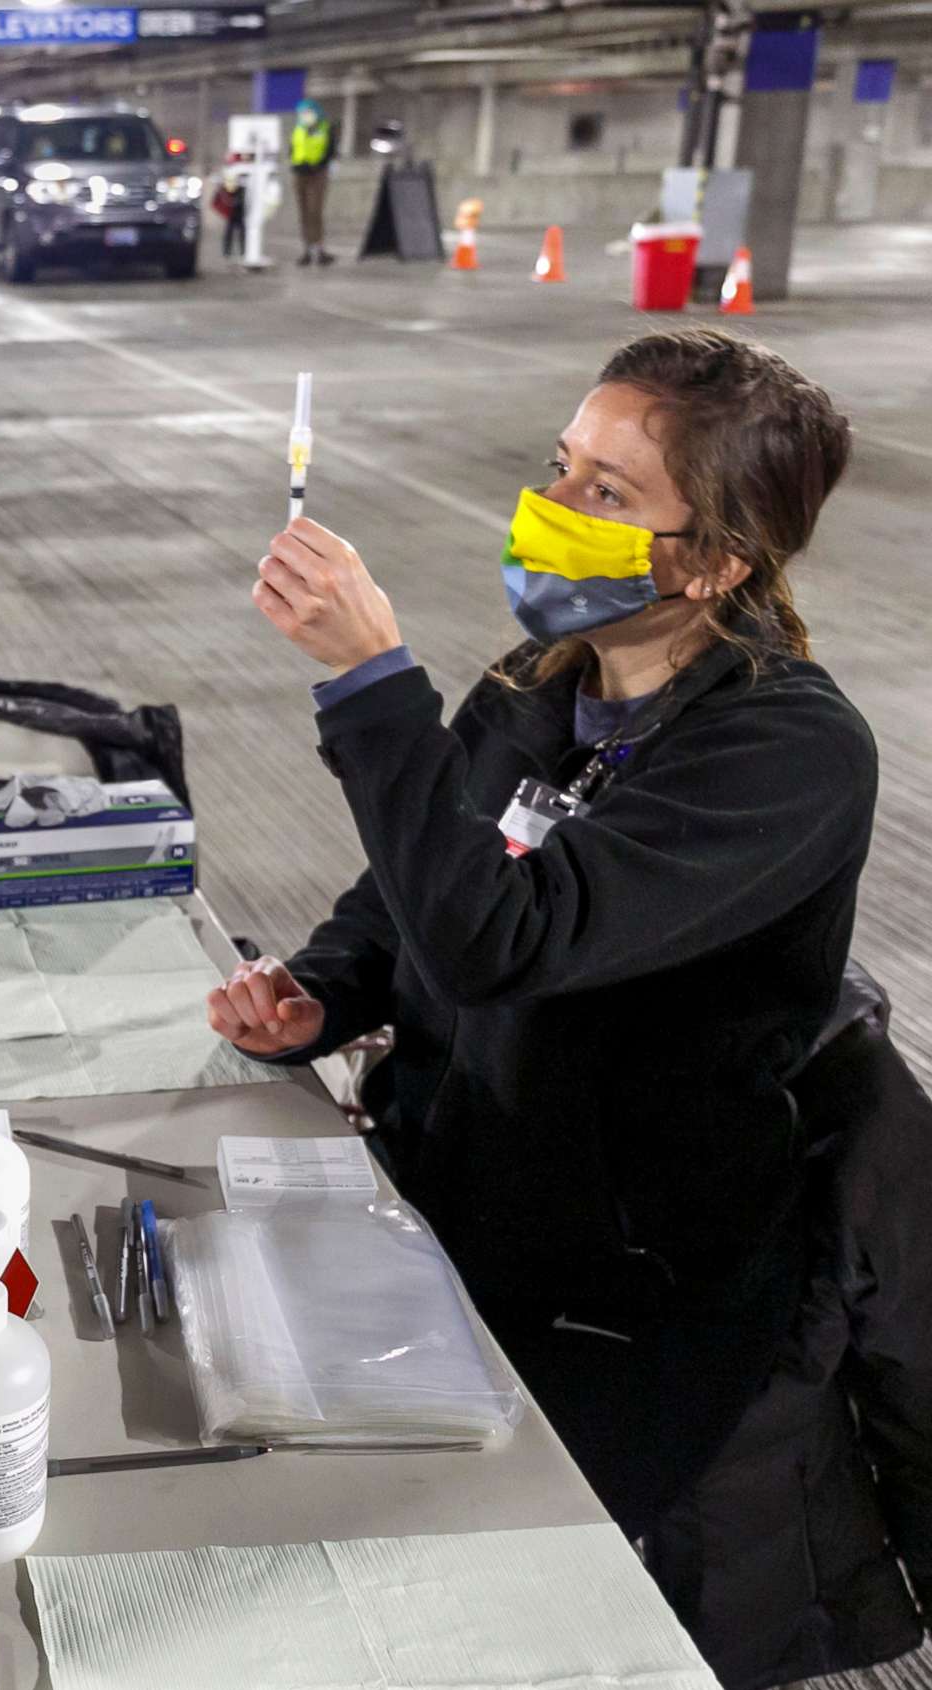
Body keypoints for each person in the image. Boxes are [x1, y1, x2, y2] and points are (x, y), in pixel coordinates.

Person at [208, 330, 872, 1530]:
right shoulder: (540, 680)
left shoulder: (783, 755)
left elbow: (499, 942)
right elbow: (417, 883)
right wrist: (327, 987)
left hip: (618, 1288)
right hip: (451, 1197)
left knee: (455, 1558)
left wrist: (371, 682)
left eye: (605, 494)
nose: (549, 506)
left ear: (717, 560)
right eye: (561, 465)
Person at [288, 97, 335, 267]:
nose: (305, 116)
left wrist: (319, 165)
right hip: (300, 173)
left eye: (308, 112)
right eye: (302, 113)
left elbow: (330, 151)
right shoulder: (298, 130)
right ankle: (306, 250)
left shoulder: (325, 129)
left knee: (315, 212)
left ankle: (320, 249)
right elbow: (292, 150)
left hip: (318, 174)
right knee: (304, 213)